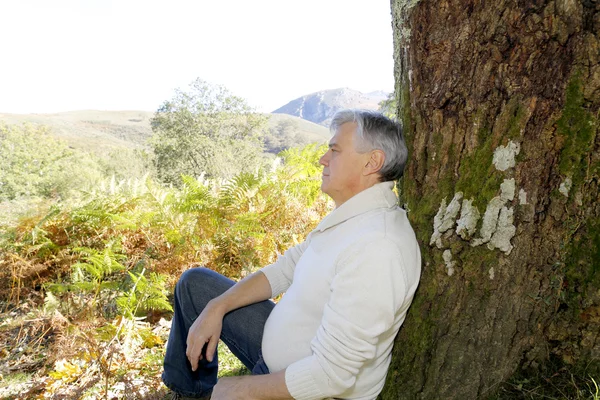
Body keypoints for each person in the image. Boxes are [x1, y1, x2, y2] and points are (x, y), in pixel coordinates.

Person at [162, 109, 422, 400]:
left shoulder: (377, 247)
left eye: (334, 150)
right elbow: (284, 270)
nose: (323, 159)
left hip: (308, 390)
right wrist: (217, 306)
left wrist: (237, 389)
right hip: (279, 353)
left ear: (372, 162)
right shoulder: (352, 218)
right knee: (196, 284)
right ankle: (187, 392)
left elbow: (331, 376)